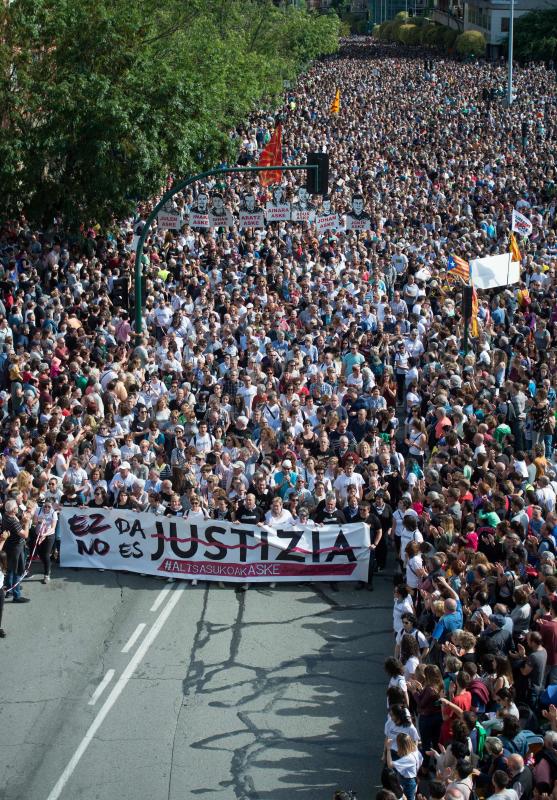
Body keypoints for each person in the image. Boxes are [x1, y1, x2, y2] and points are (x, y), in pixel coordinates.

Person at [3, 499, 32, 603]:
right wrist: (27, 523)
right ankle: (16, 595)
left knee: (10, 570)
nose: (17, 508)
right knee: (17, 571)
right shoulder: (11, 520)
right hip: (16, 548)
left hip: (10, 546)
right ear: (12, 510)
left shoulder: (6, 516)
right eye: (16, 507)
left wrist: (21, 522)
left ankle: (9, 589)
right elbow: (25, 535)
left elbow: (16, 527)